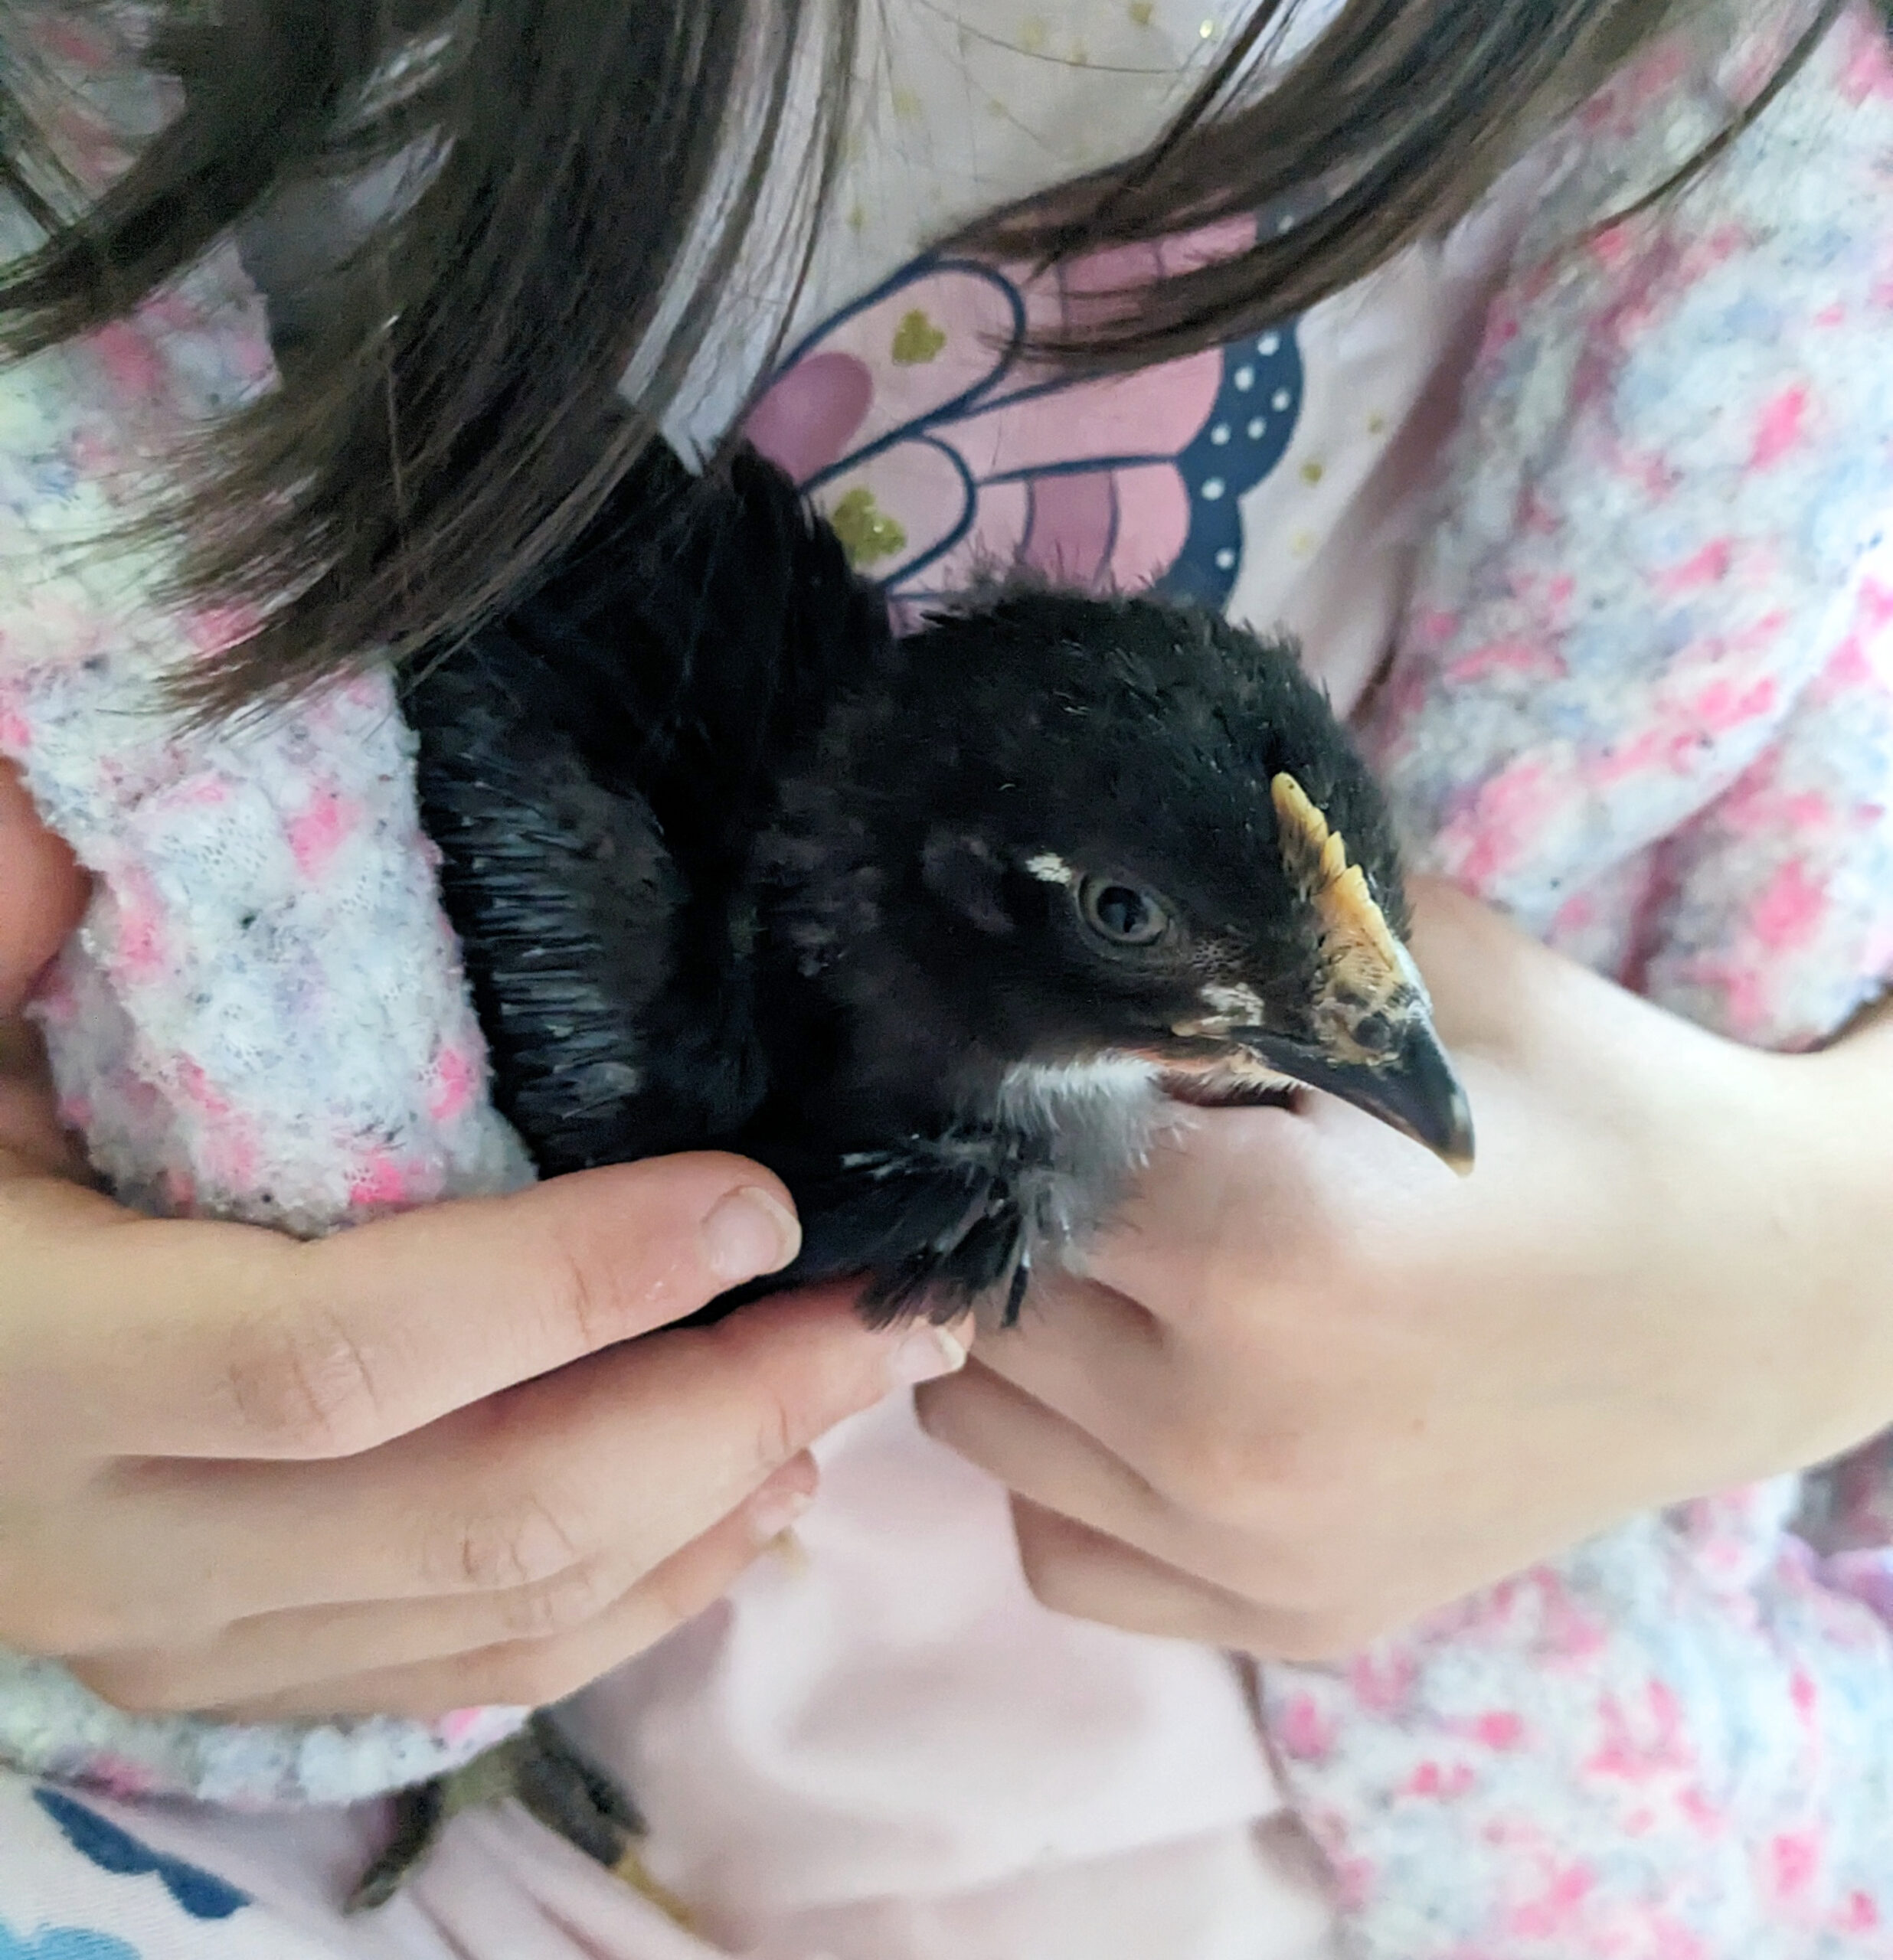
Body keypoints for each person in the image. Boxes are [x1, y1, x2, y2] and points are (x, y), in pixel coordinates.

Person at [2, 1, 1892, 1955]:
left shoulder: (1783, 147)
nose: (1364, 1053)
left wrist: (1817, 1269)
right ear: (969, 886)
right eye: (1138, 932)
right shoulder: (648, 999)